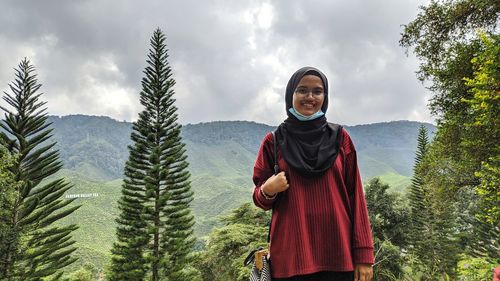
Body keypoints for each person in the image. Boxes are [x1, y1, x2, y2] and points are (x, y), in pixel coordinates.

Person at [252, 67, 374, 281]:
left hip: (337, 255)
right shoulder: (274, 141)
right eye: (302, 90)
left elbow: (356, 198)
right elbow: (260, 199)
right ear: (291, 94)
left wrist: (364, 256)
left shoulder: (340, 138)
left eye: (317, 91)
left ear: (324, 97)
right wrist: (268, 190)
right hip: (291, 258)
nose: (310, 97)